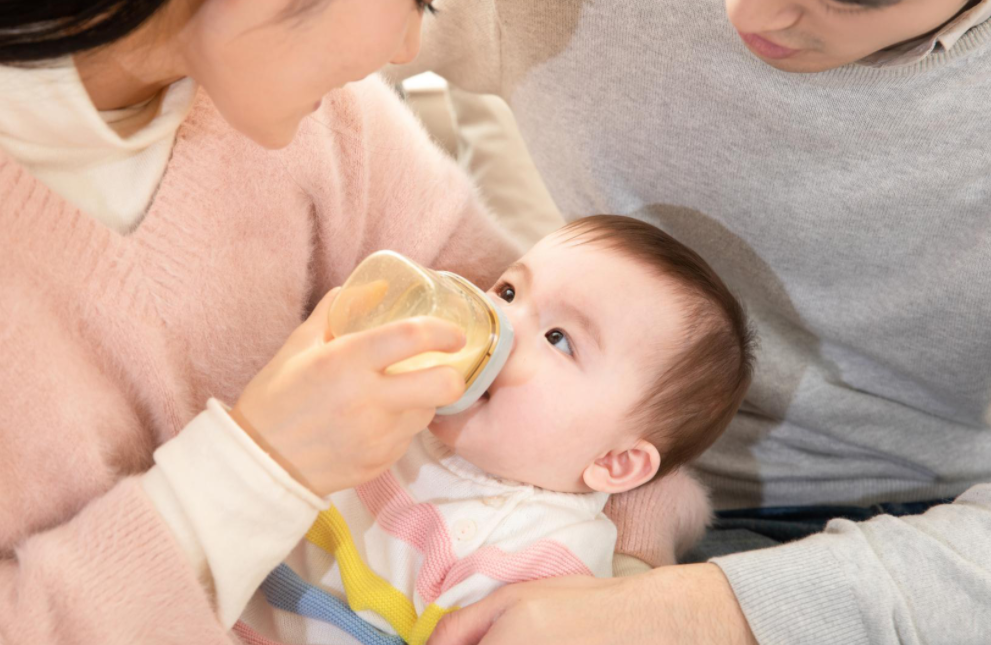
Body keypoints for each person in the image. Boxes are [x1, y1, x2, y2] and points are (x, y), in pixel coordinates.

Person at [388, 0, 991, 643]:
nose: (743, 5)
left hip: (934, 545)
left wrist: (684, 611)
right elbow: (265, 30)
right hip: (566, 475)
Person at [0, 0, 530, 643]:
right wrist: (261, 467)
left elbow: (578, 344)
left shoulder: (325, 118)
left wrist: (620, 565)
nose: (408, 48)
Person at [237, 214, 754, 645]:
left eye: (559, 338)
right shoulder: (401, 405)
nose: (497, 322)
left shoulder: (542, 564)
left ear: (613, 463)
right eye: (508, 290)